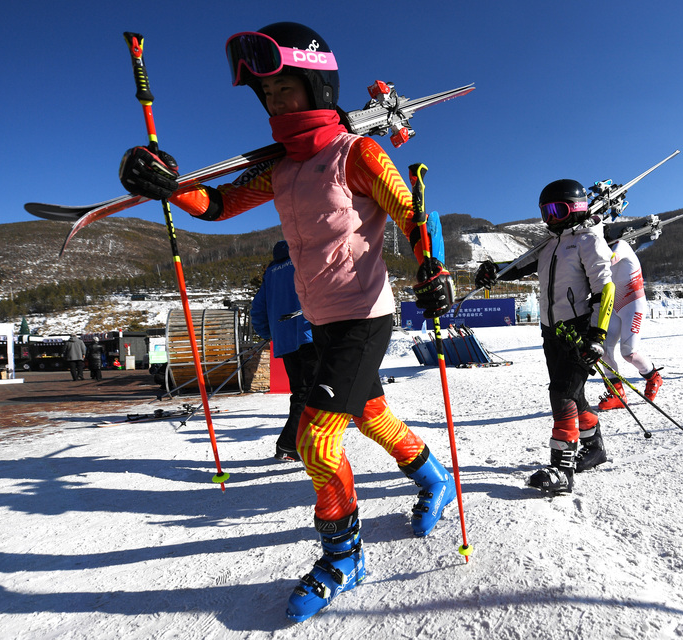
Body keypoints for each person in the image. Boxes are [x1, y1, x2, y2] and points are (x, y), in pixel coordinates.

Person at [116, 22, 457, 622]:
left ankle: (344, 556)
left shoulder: (357, 153)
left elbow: (411, 212)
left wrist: (434, 268)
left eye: (283, 90)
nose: (274, 103)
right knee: (371, 413)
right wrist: (171, 187)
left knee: (315, 439)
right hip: (320, 317)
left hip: (363, 314)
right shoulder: (279, 167)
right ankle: (433, 478)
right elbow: (218, 205)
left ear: (317, 87)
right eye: (265, 96)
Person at [475, 178, 614, 494]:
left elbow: (605, 289)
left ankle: (562, 470)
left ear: (577, 209)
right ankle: (595, 448)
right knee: (574, 394)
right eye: (545, 212)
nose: (551, 218)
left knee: (562, 395)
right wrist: (491, 270)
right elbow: (517, 266)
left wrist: (597, 335)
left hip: (579, 330)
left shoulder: (589, 241)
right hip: (552, 333)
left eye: (558, 210)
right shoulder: (550, 244)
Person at [250, 240, 316, 462]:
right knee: (313, 393)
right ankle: (289, 444)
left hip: (285, 343)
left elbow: (257, 310)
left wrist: (271, 334)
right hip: (309, 336)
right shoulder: (303, 264)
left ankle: (297, 444)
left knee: (301, 393)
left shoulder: (270, 275)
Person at [596, 238, 662, 411]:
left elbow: (612, 259)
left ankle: (653, 377)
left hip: (633, 304)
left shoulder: (621, 245)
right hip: (615, 306)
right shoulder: (597, 251)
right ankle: (617, 395)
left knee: (628, 353)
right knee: (602, 350)